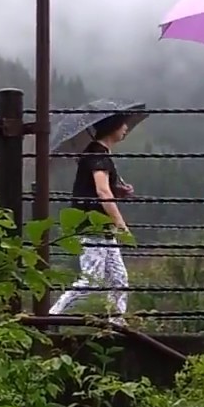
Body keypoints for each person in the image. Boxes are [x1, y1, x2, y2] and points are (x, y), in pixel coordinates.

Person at [50, 114, 133, 317]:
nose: (126, 128)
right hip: (93, 225)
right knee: (91, 281)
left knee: (119, 278)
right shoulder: (98, 155)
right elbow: (102, 192)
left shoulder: (99, 153)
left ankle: (116, 322)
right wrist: (120, 223)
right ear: (112, 127)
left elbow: (103, 189)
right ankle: (52, 313)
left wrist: (117, 190)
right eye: (123, 124)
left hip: (102, 227)